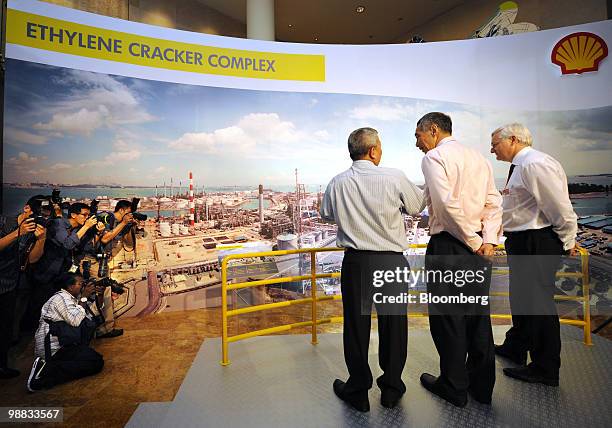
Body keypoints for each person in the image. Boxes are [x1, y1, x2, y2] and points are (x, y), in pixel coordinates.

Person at [321, 127, 424, 411]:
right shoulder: (394, 176)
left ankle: (358, 391)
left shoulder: (337, 182)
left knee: (356, 327)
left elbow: (326, 214)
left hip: (356, 262)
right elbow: (416, 207)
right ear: (374, 150)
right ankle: (391, 389)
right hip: (390, 261)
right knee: (394, 326)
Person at [416, 112, 502, 407]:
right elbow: (493, 202)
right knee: (478, 318)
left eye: (418, 136)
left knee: (448, 320)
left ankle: (454, 386)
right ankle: (482, 387)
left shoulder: (434, 158)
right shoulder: (479, 158)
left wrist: (475, 241)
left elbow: (447, 206)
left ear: (434, 130)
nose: (417, 143)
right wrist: (487, 240)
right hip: (479, 248)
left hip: (449, 248)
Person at [490, 123, 577, 386]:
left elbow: (559, 207)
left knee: (539, 306)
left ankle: (545, 368)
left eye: (495, 143)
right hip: (523, 241)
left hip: (536, 241)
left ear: (513, 139)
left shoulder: (534, 164)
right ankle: (516, 347)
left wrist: (568, 239)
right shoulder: (521, 166)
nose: (492, 149)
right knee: (522, 300)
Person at [27, 273, 104, 392]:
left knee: (95, 359)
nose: (83, 286)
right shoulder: (61, 298)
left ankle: (48, 369)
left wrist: (99, 295)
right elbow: (75, 320)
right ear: (70, 286)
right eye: (80, 284)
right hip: (53, 350)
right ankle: (44, 373)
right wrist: (84, 297)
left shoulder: (72, 299)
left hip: (63, 345)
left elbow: (92, 316)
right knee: (94, 362)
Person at [0, 196, 47, 378]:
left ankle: (2, 366)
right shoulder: (4, 221)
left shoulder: (34, 230)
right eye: (35, 214)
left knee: (5, 327)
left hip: (9, 284)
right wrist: (17, 233)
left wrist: (41, 239)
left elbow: (33, 259)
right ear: (26, 208)